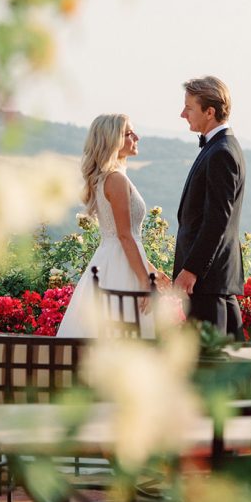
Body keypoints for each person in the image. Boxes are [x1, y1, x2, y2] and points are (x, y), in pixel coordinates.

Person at [56, 113, 168, 338]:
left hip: (117, 261)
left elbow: (127, 238)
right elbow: (125, 237)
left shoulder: (111, 177)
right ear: (112, 140)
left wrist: (152, 271)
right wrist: (146, 282)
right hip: (120, 266)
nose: (137, 137)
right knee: (123, 334)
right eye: (129, 133)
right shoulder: (115, 179)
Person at [173, 76, 246, 337]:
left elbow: (217, 220)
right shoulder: (219, 147)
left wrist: (191, 270)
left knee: (209, 368)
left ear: (210, 111)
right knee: (223, 367)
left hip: (207, 282)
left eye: (189, 107)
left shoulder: (221, 152)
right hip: (214, 282)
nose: (183, 114)